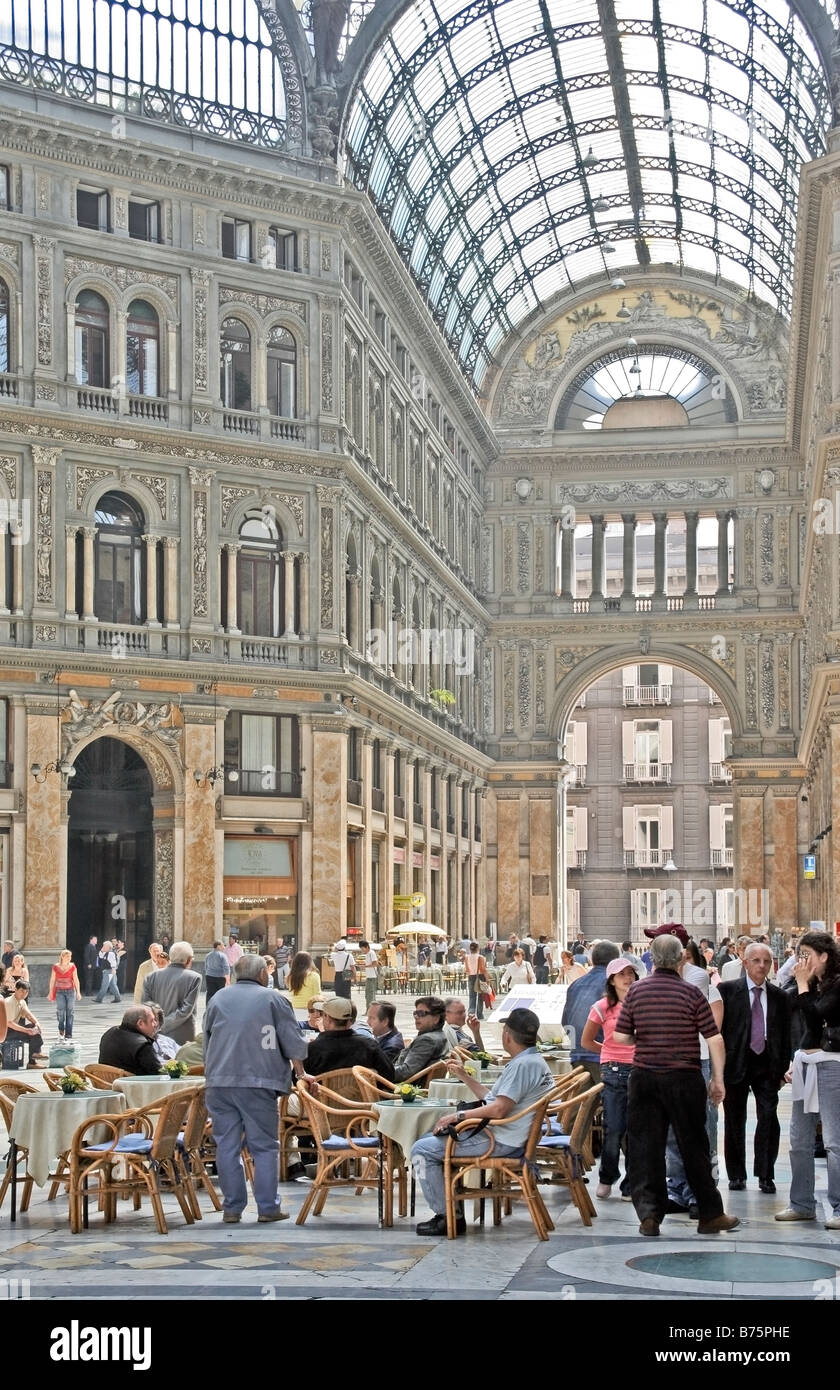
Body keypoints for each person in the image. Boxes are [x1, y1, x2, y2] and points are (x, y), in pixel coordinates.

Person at [613, 932, 738, 1238]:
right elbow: (714, 1038)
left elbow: (622, 1037)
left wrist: (645, 1035)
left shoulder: (636, 992)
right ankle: (709, 1214)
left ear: (652, 959)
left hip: (645, 1078)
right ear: (682, 958)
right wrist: (717, 1079)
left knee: (646, 1147)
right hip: (684, 1078)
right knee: (694, 1145)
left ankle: (649, 1217)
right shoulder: (692, 993)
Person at [410, 1007, 554, 1236]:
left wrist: (457, 1116)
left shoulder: (522, 1066)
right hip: (508, 1135)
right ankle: (451, 1210)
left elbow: (498, 1110)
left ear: (507, 1035)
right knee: (429, 1139)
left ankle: (446, 1216)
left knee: (420, 1150)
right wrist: (465, 1077)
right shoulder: (533, 1061)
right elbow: (494, 1100)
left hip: (501, 1139)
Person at [205, 953, 308, 1224]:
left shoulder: (218, 998)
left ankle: (232, 1208)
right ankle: (267, 1207)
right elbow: (292, 1041)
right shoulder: (274, 999)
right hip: (258, 1082)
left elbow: (207, 1040)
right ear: (263, 974)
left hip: (219, 1081)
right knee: (264, 1146)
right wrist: (301, 1073)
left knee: (226, 1146)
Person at [776, 929, 840, 1228]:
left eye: (807, 956)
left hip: (832, 1063)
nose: (802, 961)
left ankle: (839, 1207)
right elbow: (794, 1015)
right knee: (799, 1138)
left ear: (824, 956)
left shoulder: (837, 985)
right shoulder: (806, 983)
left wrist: (803, 984)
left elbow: (817, 1017)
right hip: (806, 1060)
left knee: (833, 1140)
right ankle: (801, 1203)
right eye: (799, 956)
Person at [719, 943, 791, 1195]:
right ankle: (736, 1175)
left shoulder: (780, 996)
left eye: (766, 962)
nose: (762, 966)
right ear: (745, 963)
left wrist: (783, 1068)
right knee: (734, 1120)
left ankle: (765, 1174)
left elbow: (785, 1035)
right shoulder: (727, 991)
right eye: (757, 961)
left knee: (769, 1118)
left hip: (767, 1065)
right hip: (736, 1063)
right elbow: (720, 1030)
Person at [581, 957, 638, 1200]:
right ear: (612, 980)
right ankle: (607, 1176)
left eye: (630, 973)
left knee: (636, 1129)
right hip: (613, 1069)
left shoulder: (642, 1004)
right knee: (614, 1126)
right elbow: (586, 1041)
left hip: (639, 1070)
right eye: (621, 974)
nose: (627, 978)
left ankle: (631, 1182)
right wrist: (607, 1052)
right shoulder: (602, 1006)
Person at [562, 939, 620, 1083]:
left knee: (582, 1104)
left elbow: (565, 1021)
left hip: (578, 1056)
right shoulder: (613, 983)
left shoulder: (575, 984)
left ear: (592, 960)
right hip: (604, 1057)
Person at [306, 996, 394, 1079]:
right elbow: (389, 1075)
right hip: (363, 1094)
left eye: (323, 1014)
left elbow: (299, 1077)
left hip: (322, 1095)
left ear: (328, 1019)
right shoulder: (369, 1045)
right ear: (349, 1021)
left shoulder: (313, 1048)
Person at [142, 940, 202, 1044]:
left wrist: (157, 1025)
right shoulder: (194, 978)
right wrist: (163, 1025)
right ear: (188, 960)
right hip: (182, 1035)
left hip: (155, 1033)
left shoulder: (151, 976)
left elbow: (146, 1006)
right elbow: (186, 1010)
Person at [394, 996, 451, 1081]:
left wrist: (380, 1071)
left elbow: (405, 1072)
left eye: (421, 1013)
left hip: (402, 1089)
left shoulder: (427, 1040)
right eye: (415, 1013)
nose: (416, 1017)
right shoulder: (440, 1035)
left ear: (436, 1018)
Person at [98, 1004, 161, 1075]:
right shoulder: (143, 1046)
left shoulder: (108, 1034)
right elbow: (158, 1074)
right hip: (133, 1085)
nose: (155, 1024)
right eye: (152, 1021)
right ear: (140, 1023)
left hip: (105, 1082)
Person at [3, 982, 46, 1066]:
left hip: (12, 1029)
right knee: (31, 1032)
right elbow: (9, 1023)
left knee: (34, 1028)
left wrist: (37, 1023)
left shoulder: (22, 1002)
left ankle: (34, 1056)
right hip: (4, 1032)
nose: (24, 994)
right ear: (15, 990)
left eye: (26, 992)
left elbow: (28, 1015)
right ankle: (33, 1059)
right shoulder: (9, 1002)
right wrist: (27, 1030)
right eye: (22, 991)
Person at [47, 948, 82, 1041]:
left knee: (70, 1012)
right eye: (67, 956)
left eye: (70, 956)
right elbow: (52, 980)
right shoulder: (55, 967)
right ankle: (61, 1029)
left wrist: (78, 992)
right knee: (60, 1011)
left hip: (70, 991)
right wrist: (50, 992)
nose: (69, 958)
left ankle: (69, 1033)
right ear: (62, 957)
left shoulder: (72, 966)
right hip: (59, 992)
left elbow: (76, 979)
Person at [464, 940, 490, 1019]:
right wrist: (487, 978)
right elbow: (483, 969)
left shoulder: (466, 957)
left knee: (472, 995)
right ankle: (479, 1014)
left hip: (471, 977)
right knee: (480, 996)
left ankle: (471, 1012)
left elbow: (467, 969)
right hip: (480, 976)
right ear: (478, 948)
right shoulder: (480, 957)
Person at [359, 939, 379, 1007]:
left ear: (366, 947)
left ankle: (369, 1010)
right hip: (369, 976)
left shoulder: (371, 953)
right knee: (368, 994)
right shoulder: (367, 954)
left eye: (362, 948)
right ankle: (372, 1009)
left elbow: (375, 963)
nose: (362, 950)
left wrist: (365, 966)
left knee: (370, 995)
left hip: (372, 976)